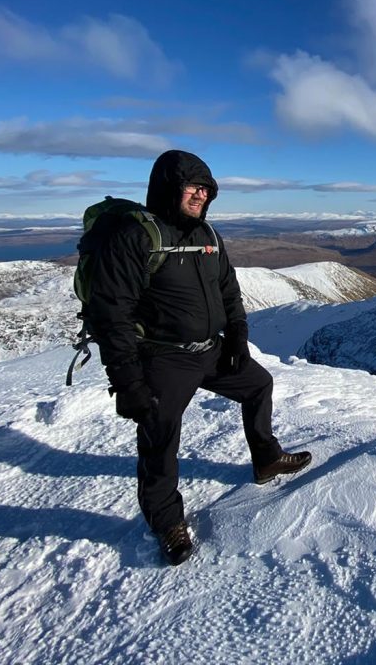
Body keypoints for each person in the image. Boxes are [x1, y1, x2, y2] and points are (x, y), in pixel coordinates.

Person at [87, 149, 311, 566]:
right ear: (169, 188)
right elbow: (111, 314)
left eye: (205, 189)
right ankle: (166, 521)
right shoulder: (137, 237)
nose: (200, 195)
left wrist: (238, 336)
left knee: (258, 384)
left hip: (210, 350)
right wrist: (127, 382)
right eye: (192, 187)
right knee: (160, 438)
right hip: (163, 358)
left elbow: (228, 288)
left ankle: (266, 459)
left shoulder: (207, 235)